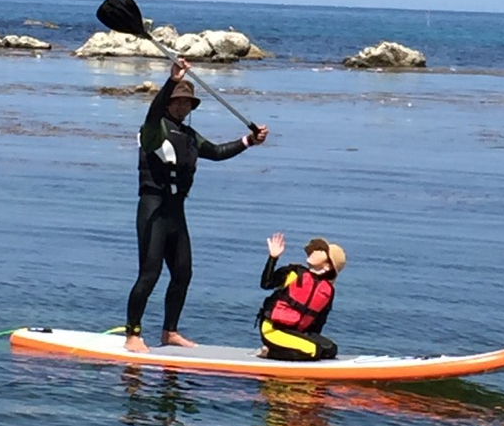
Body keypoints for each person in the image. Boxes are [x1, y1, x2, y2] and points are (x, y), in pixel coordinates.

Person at [125, 57, 269, 353]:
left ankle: (170, 332)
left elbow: (216, 152)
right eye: (177, 102)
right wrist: (172, 81)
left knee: (183, 273)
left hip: (176, 212)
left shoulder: (189, 136)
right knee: (149, 274)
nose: (181, 106)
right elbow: (152, 112)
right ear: (168, 104)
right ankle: (133, 334)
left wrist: (248, 142)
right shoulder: (154, 129)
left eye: (186, 103)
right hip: (153, 209)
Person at [256, 232, 345, 361]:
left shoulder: (327, 291)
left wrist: (308, 339)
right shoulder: (294, 273)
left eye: (321, 250)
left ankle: (292, 349)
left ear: (327, 266)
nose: (314, 251)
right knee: (313, 350)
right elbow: (266, 283)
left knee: (330, 349)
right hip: (273, 329)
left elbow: (319, 321)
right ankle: (269, 352)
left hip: (296, 332)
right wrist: (273, 258)